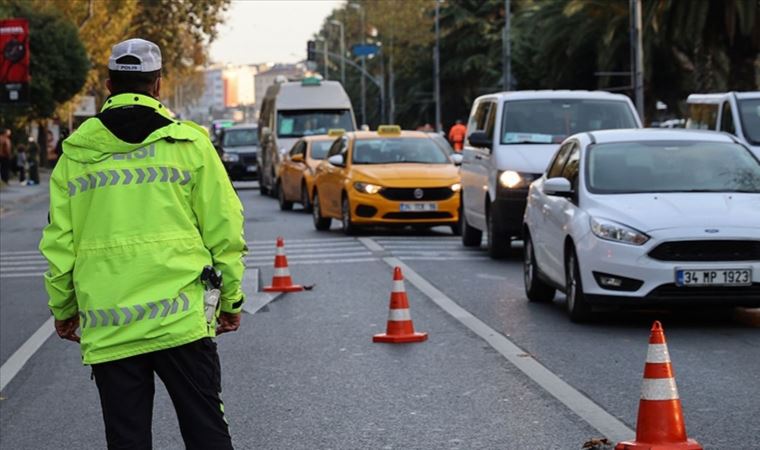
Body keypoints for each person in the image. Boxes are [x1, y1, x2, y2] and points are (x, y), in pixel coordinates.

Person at [39, 38, 246, 450]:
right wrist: (232, 300)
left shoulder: (76, 154)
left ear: (108, 84)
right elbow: (226, 230)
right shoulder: (190, 145)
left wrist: (64, 310)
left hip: (112, 327)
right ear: (158, 85)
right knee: (206, 431)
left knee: (127, 439)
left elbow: (59, 245)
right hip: (182, 322)